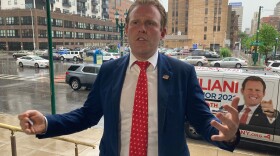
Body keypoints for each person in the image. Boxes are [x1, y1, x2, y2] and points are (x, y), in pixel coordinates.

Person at [18, 0, 240, 155]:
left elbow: (202, 121)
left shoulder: (182, 73)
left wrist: (227, 135)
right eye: (135, 22)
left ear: (162, 32)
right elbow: (87, 116)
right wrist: (47, 123)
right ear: (127, 29)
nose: (141, 29)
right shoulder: (109, 71)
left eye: (150, 23)